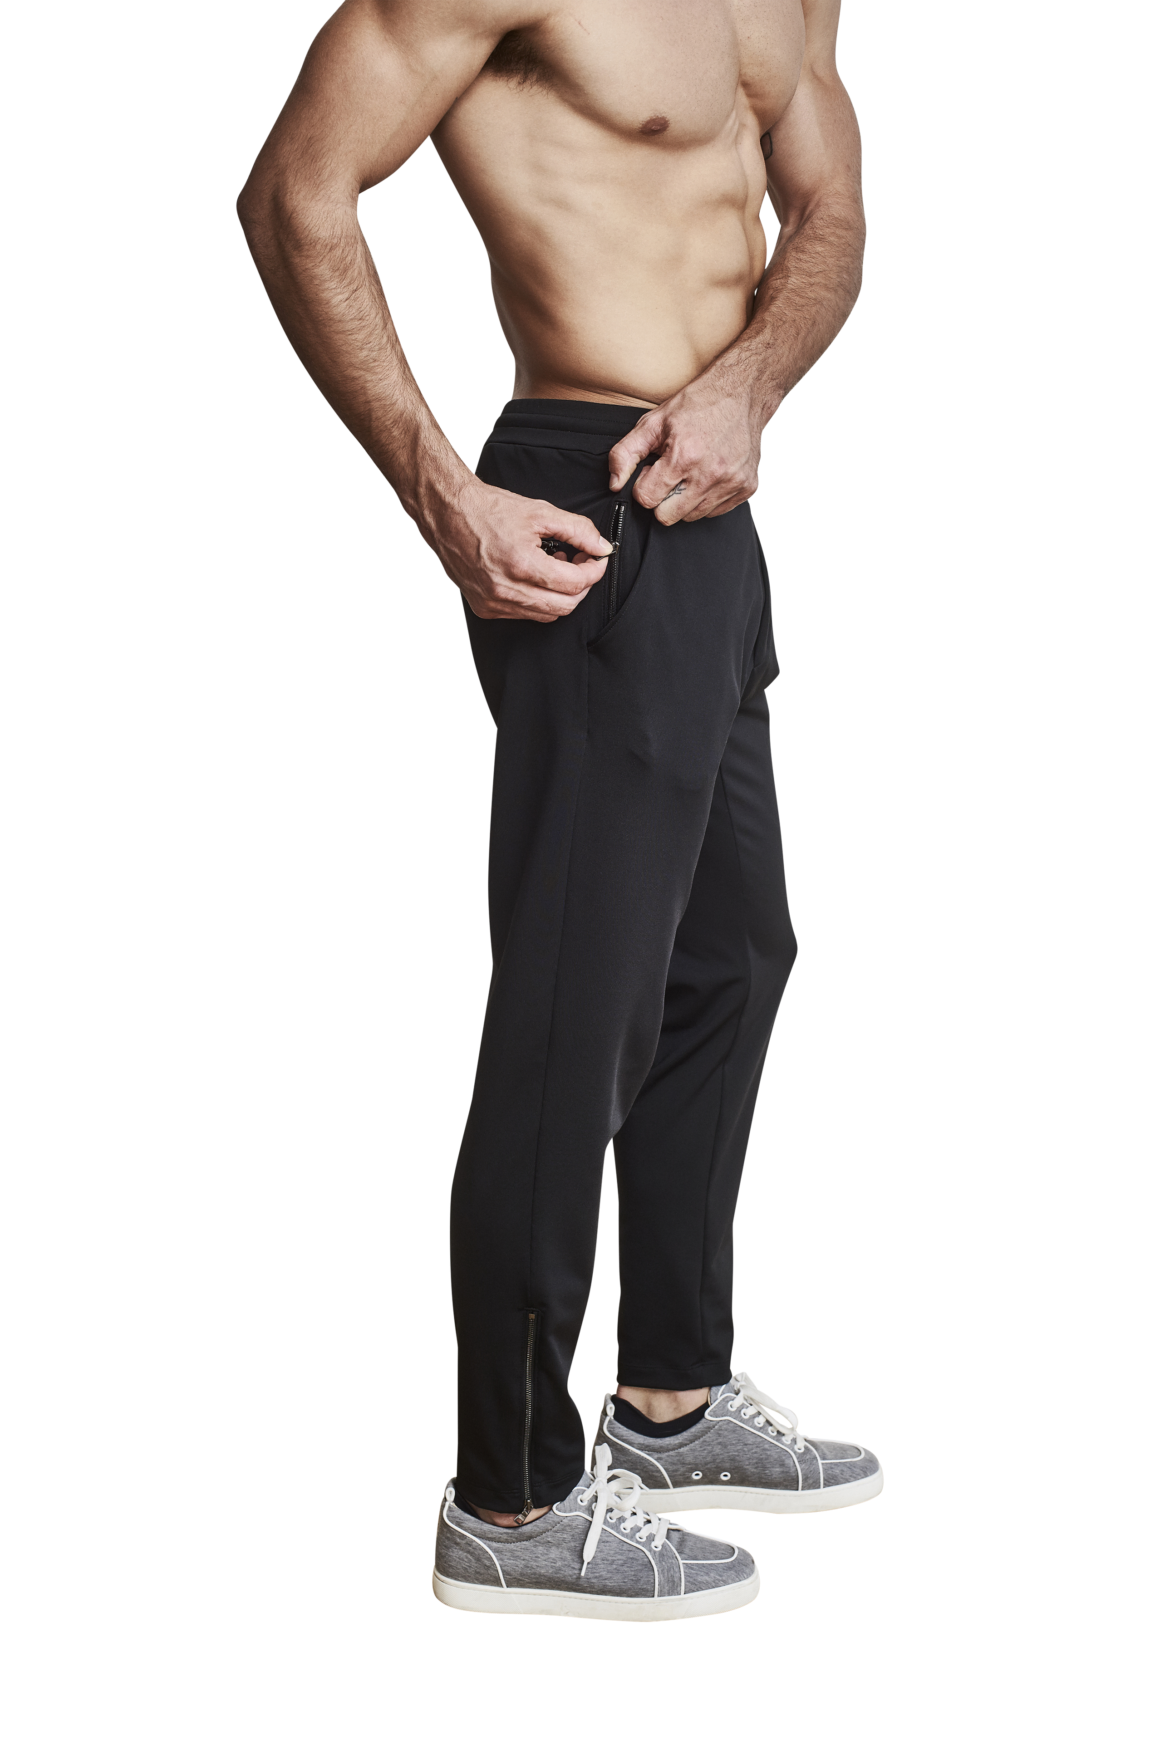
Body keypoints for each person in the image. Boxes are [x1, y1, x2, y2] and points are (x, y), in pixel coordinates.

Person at [238, 0, 884, 1622]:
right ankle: (512, 1494)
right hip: (583, 495)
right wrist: (441, 484)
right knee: (572, 1020)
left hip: (722, 492)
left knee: (731, 966)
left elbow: (829, 211)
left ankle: (667, 1392)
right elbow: (301, 189)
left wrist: (745, 385)